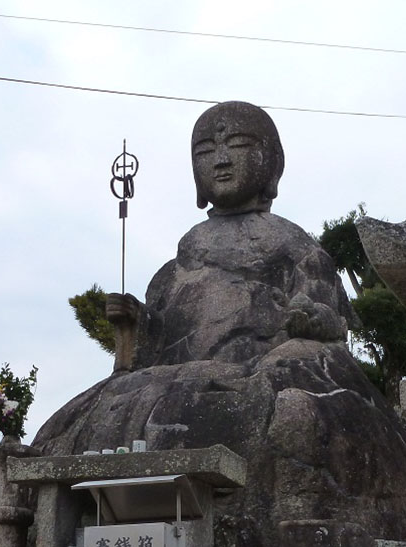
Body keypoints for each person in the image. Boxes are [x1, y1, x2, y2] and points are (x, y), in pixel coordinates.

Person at [107, 101, 353, 371]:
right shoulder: (174, 269)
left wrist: (309, 320)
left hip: (266, 375)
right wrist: (135, 322)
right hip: (177, 382)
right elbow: (161, 342)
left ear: (272, 161)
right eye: (205, 151)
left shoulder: (295, 247)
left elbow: (328, 328)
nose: (221, 160)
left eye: (238, 145)